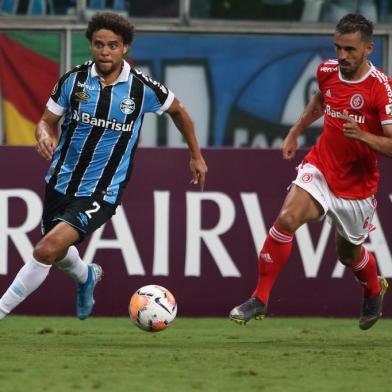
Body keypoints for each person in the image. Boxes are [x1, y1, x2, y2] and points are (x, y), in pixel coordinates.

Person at [0, 12, 207, 321]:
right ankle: (86, 277)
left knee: (45, 250)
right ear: (91, 46)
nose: (105, 51)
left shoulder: (141, 88)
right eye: (99, 45)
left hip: (103, 190)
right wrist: (43, 134)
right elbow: (47, 121)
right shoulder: (73, 80)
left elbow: (178, 111)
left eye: (112, 45)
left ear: (124, 48)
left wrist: (195, 154)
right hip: (60, 180)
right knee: (56, 252)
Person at [230, 13, 391, 330]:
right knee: (287, 218)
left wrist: (363, 136)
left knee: (349, 254)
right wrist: (295, 130)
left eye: (350, 50)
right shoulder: (328, 71)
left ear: (369, 48)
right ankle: (259, 298)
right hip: (321, 166)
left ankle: (374, 287)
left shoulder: (381, 89)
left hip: (358, 186)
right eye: (337, 48)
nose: (342, 56)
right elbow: (321, 99)